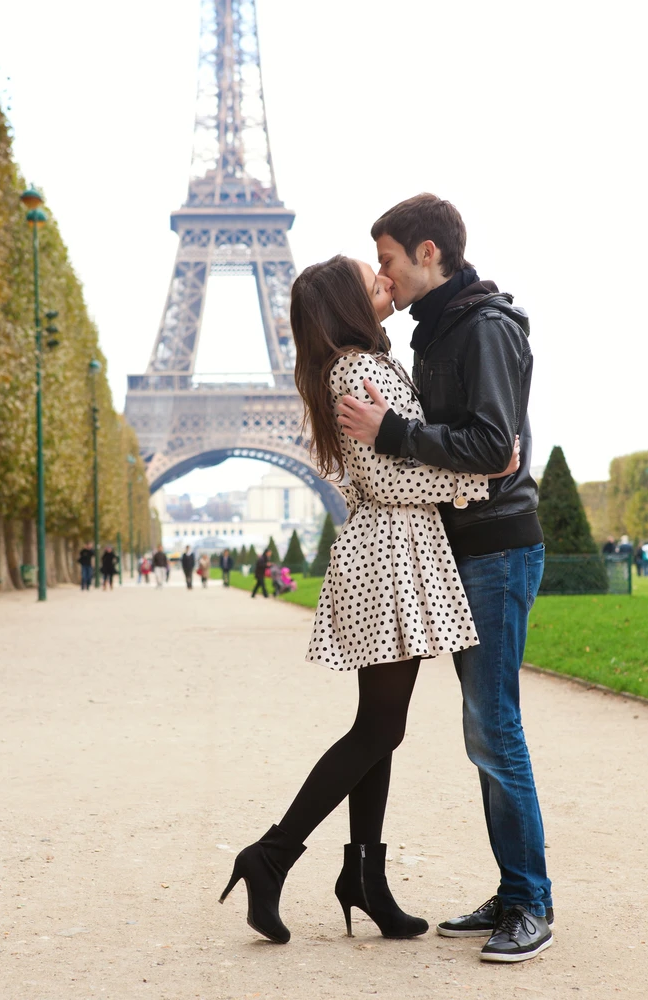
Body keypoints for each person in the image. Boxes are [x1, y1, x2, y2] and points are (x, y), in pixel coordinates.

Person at [220, 253, 515, 949]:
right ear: (345, 304)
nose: (384, 281)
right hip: (389, 556)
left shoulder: (358, 363)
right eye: (370, 276)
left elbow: (375, 472)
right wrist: (474, 480)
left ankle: (364, 878)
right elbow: (386, 480)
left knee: (378, 727)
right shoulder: (356, 368)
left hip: (388, 556)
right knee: (379, 729)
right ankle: (271, 855)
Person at [335, 194, 552, 962]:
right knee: (483, 731)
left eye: (389, 259)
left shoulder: (483, 327)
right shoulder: (437, 331)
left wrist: (391, 431)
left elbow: (493, 442)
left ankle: (530, 902)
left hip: (494, 546)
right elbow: (475, 445)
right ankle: (513, 885)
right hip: (466, 548)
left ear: (430, 253)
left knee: (493, 728)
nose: (385, 277)